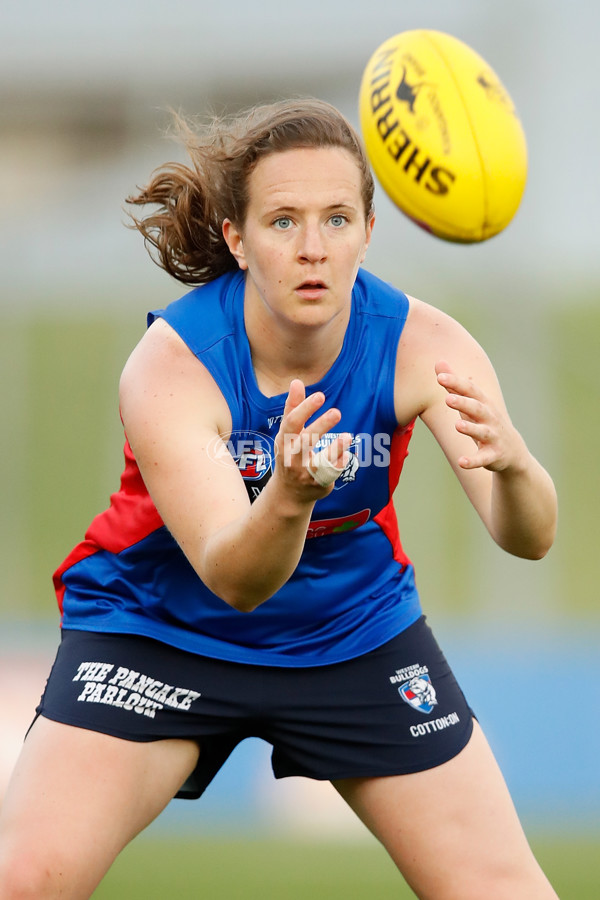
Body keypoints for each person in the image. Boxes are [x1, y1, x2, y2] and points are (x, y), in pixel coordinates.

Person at [0, 98, 559, 899]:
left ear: (369, 231)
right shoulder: (174, 363)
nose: (312, 250)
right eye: (283, 221)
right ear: (237, 238)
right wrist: (289, 498)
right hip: (161, 629)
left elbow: (530, 539)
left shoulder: (423, 344)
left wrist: (513, 469)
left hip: (352, 631)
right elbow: (237, 578)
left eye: (336, 220)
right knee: (25, 881)